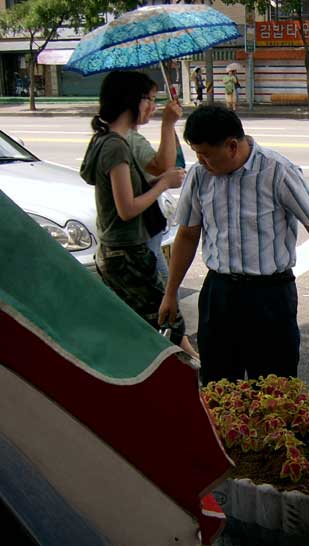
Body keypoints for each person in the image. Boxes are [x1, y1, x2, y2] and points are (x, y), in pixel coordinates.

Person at [158, 106, 309, 386]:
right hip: (220, 293)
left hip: (270, 297)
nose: (201, 161)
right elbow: (187, 235)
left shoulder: (277, 171)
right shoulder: (199, 176)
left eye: (206, 154)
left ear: (232, 146)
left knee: (274, 386)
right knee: (218, 384)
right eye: (197, 153)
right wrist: (170, 293)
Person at [80, 71, 187, 349]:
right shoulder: (116, 145)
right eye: (149, 99)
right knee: (169, 320)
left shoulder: (105, 139)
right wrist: (163, 184)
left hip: (115, 250)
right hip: (127, 251)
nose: (153, 106)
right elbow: (127, 209)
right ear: (131, 100)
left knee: (132, 325)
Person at [126, 84, 199, 360]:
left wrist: (157, 180)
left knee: (165, 300)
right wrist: (168, 124)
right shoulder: (125, 142)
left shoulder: (122, 140)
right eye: (150, 99)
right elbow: (163, 164)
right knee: (163, 304)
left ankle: (187, 354)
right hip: (138, 241)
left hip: (146, 236)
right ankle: (184, 361)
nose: (153, 106)